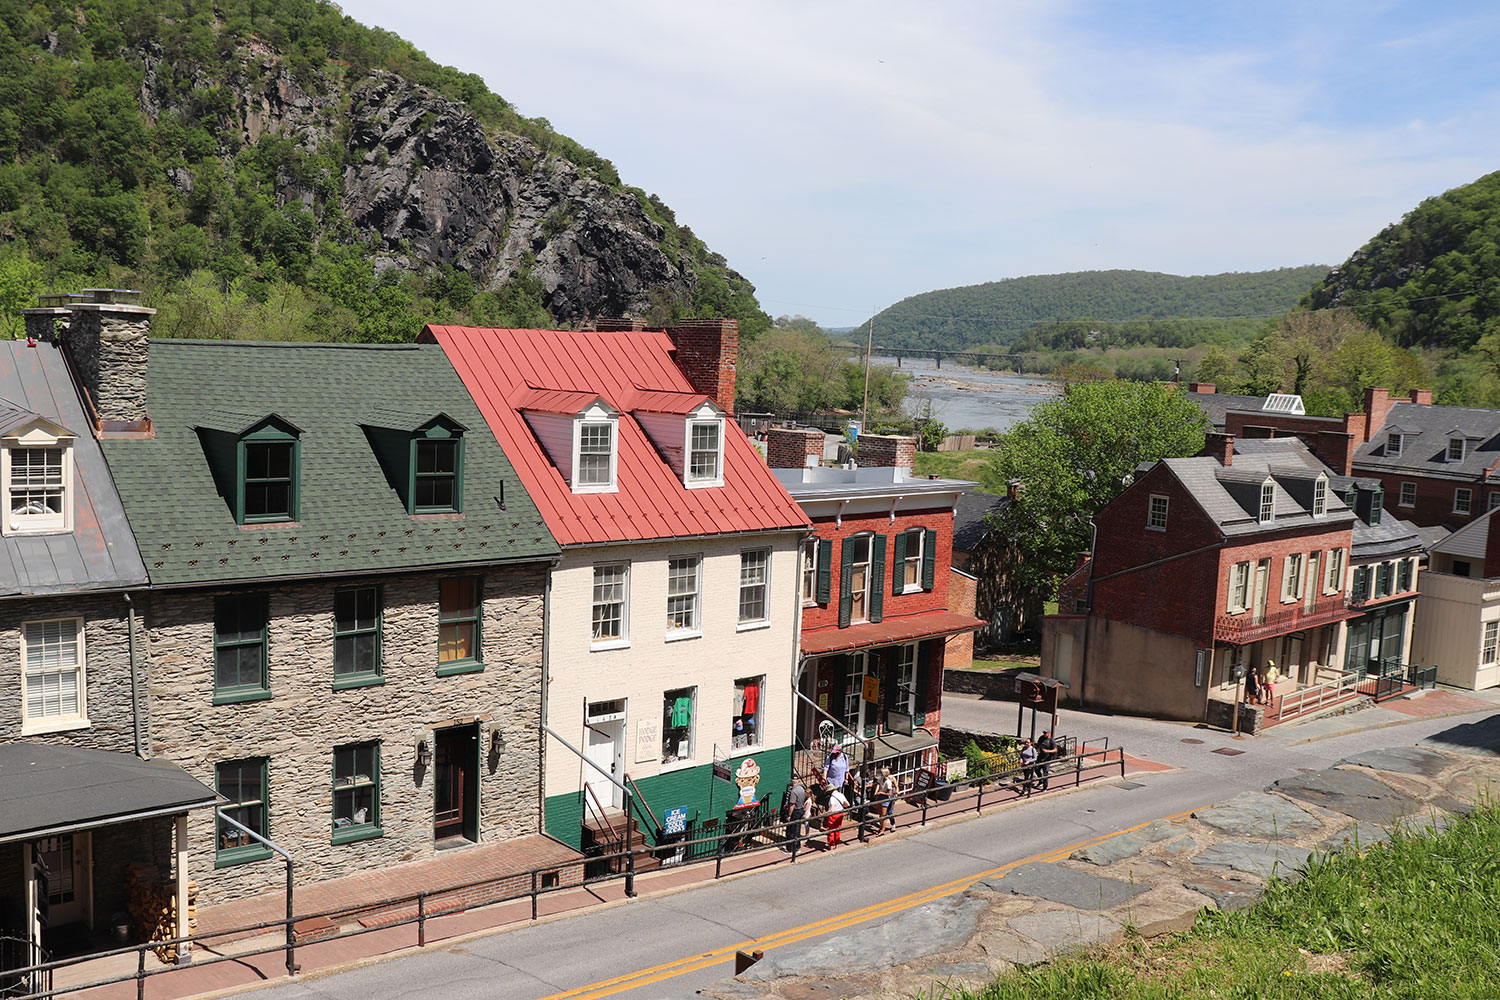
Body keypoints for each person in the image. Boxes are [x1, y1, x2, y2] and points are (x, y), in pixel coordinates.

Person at [780, 776, 808, 854]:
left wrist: (789, 815)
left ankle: (790, 849)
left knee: (790, 830)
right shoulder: (802, 789)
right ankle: (798, 847)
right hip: (801, 810)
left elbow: (792, 804)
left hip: (795, 811)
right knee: (797, 829)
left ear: (792, 781)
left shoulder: (793, 791)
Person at [824, 782, 848, 849]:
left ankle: (830, 844)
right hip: (840, 813)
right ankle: (836, 843)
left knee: (831, 829)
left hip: (834, 815)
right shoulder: (841, 795)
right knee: (838, 828)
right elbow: (847, 804)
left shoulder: (832, 798)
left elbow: (832, 809)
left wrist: (825, 813)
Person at [879, 766, 899, 832]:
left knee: (889, 811)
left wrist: (897, 792)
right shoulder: (882, 778)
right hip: (884, 794)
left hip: (891, 795)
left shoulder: (892, 778)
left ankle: (893, 825)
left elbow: (896, 786)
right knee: (882, 812)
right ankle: (882, 826)